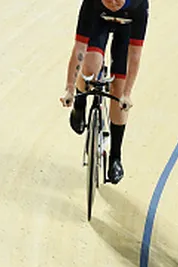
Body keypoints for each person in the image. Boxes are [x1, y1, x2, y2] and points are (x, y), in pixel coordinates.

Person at [60, 0, 149, 184]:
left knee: (119, 92)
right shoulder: (91, 2)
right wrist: (69, 88)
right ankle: (80, 103)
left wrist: (127, 93)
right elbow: (79, 48)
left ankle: (115, 156)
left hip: (127, 28)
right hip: (97, 22)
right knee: (90, 68)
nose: (113, 3)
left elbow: (134, 55)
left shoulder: (138, 4)